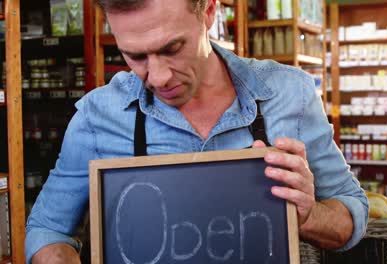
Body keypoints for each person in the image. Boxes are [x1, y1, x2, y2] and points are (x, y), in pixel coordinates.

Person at [25, 0, 369, 263]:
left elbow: (351, 216)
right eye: (134, 56)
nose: (158, 77)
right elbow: (46, 229)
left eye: (172, 48)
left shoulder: (288, 93)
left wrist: (308, 216)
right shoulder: (97, 116)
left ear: (208, 11)